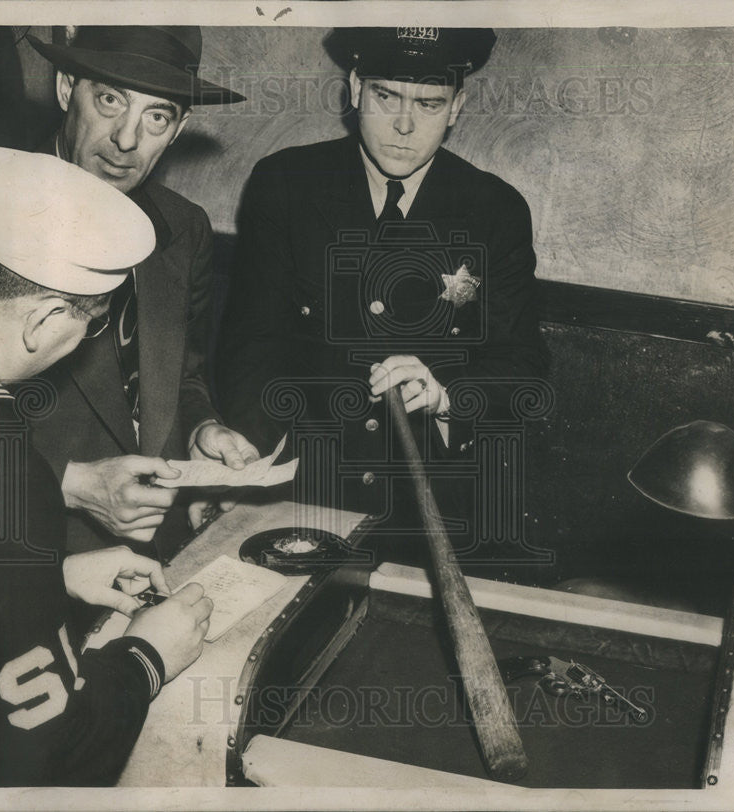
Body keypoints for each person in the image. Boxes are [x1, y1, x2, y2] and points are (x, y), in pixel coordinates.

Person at [0, 145, 214, 786]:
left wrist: (46, 576)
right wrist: (147, 655)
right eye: (89, 327)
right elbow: (38, 752)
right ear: (45, 319)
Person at [216, 27, 549, 559]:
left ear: (457, 106)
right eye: (386, 95)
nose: (404, 125)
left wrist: (445, 393)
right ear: (355, 87)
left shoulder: (496, 210)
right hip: (302, 495)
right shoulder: (286, 184)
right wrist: (249, 459)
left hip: (430, 513)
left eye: (430, 103)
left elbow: (522, 364)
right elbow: (252, 342)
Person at [25, 26, 256, 562]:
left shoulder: (184, 228)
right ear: (66, 89)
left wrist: (201, 430)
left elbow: (183, 377)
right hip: (31, 555)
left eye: (157, 116)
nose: (127, 140)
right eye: (110, 100)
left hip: (164, 546)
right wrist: (73, 483)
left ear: (179, 129)